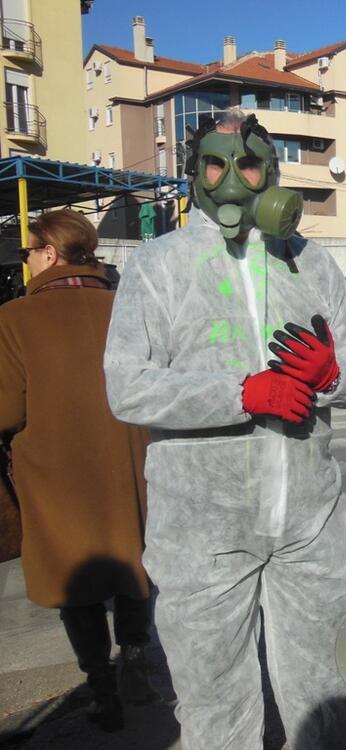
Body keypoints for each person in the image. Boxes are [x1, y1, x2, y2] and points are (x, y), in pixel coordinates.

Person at [104, 109, 346, 750]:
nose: (233, 178)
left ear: (273, 172)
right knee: (214, 708)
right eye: (215, 163)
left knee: (326, 700)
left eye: (250, 163)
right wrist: (241, 394)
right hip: (203, 535)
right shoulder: (159, 267)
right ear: (194, 171)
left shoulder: (311, 264)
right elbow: (128, 385)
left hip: (311, 526)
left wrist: (335, 373)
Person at [0, 209, 157, 733]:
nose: (25, 262)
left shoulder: (15, 318)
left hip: (54, 473)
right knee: (134, 561)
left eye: (27, 252)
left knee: (79, 582)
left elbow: (7, 412)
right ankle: (136, 655)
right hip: (129, 460)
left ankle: (103, 689)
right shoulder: (126, 306)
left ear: (48, 253)